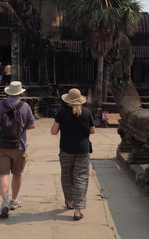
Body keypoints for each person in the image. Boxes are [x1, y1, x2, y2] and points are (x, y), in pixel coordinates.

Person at [0, 81, 35, 219]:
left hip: (2, 145)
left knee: (3, 174)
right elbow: (32, 125)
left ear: (8, 92)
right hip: (19, 145)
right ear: (20, 93)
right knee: (17, 174)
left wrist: (0, 125)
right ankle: (14, 200)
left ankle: (5, 201)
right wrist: (21, 128)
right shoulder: (25, 106)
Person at [50, 88, 95, 221]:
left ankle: (69, 202)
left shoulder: (62, 113)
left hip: (66, 149)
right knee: (81, 178)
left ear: (68, 100)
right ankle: (77, 210)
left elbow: (53, 132)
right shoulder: (86, 112)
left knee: (66, 176)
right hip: (83, 149)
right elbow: (92, 130)